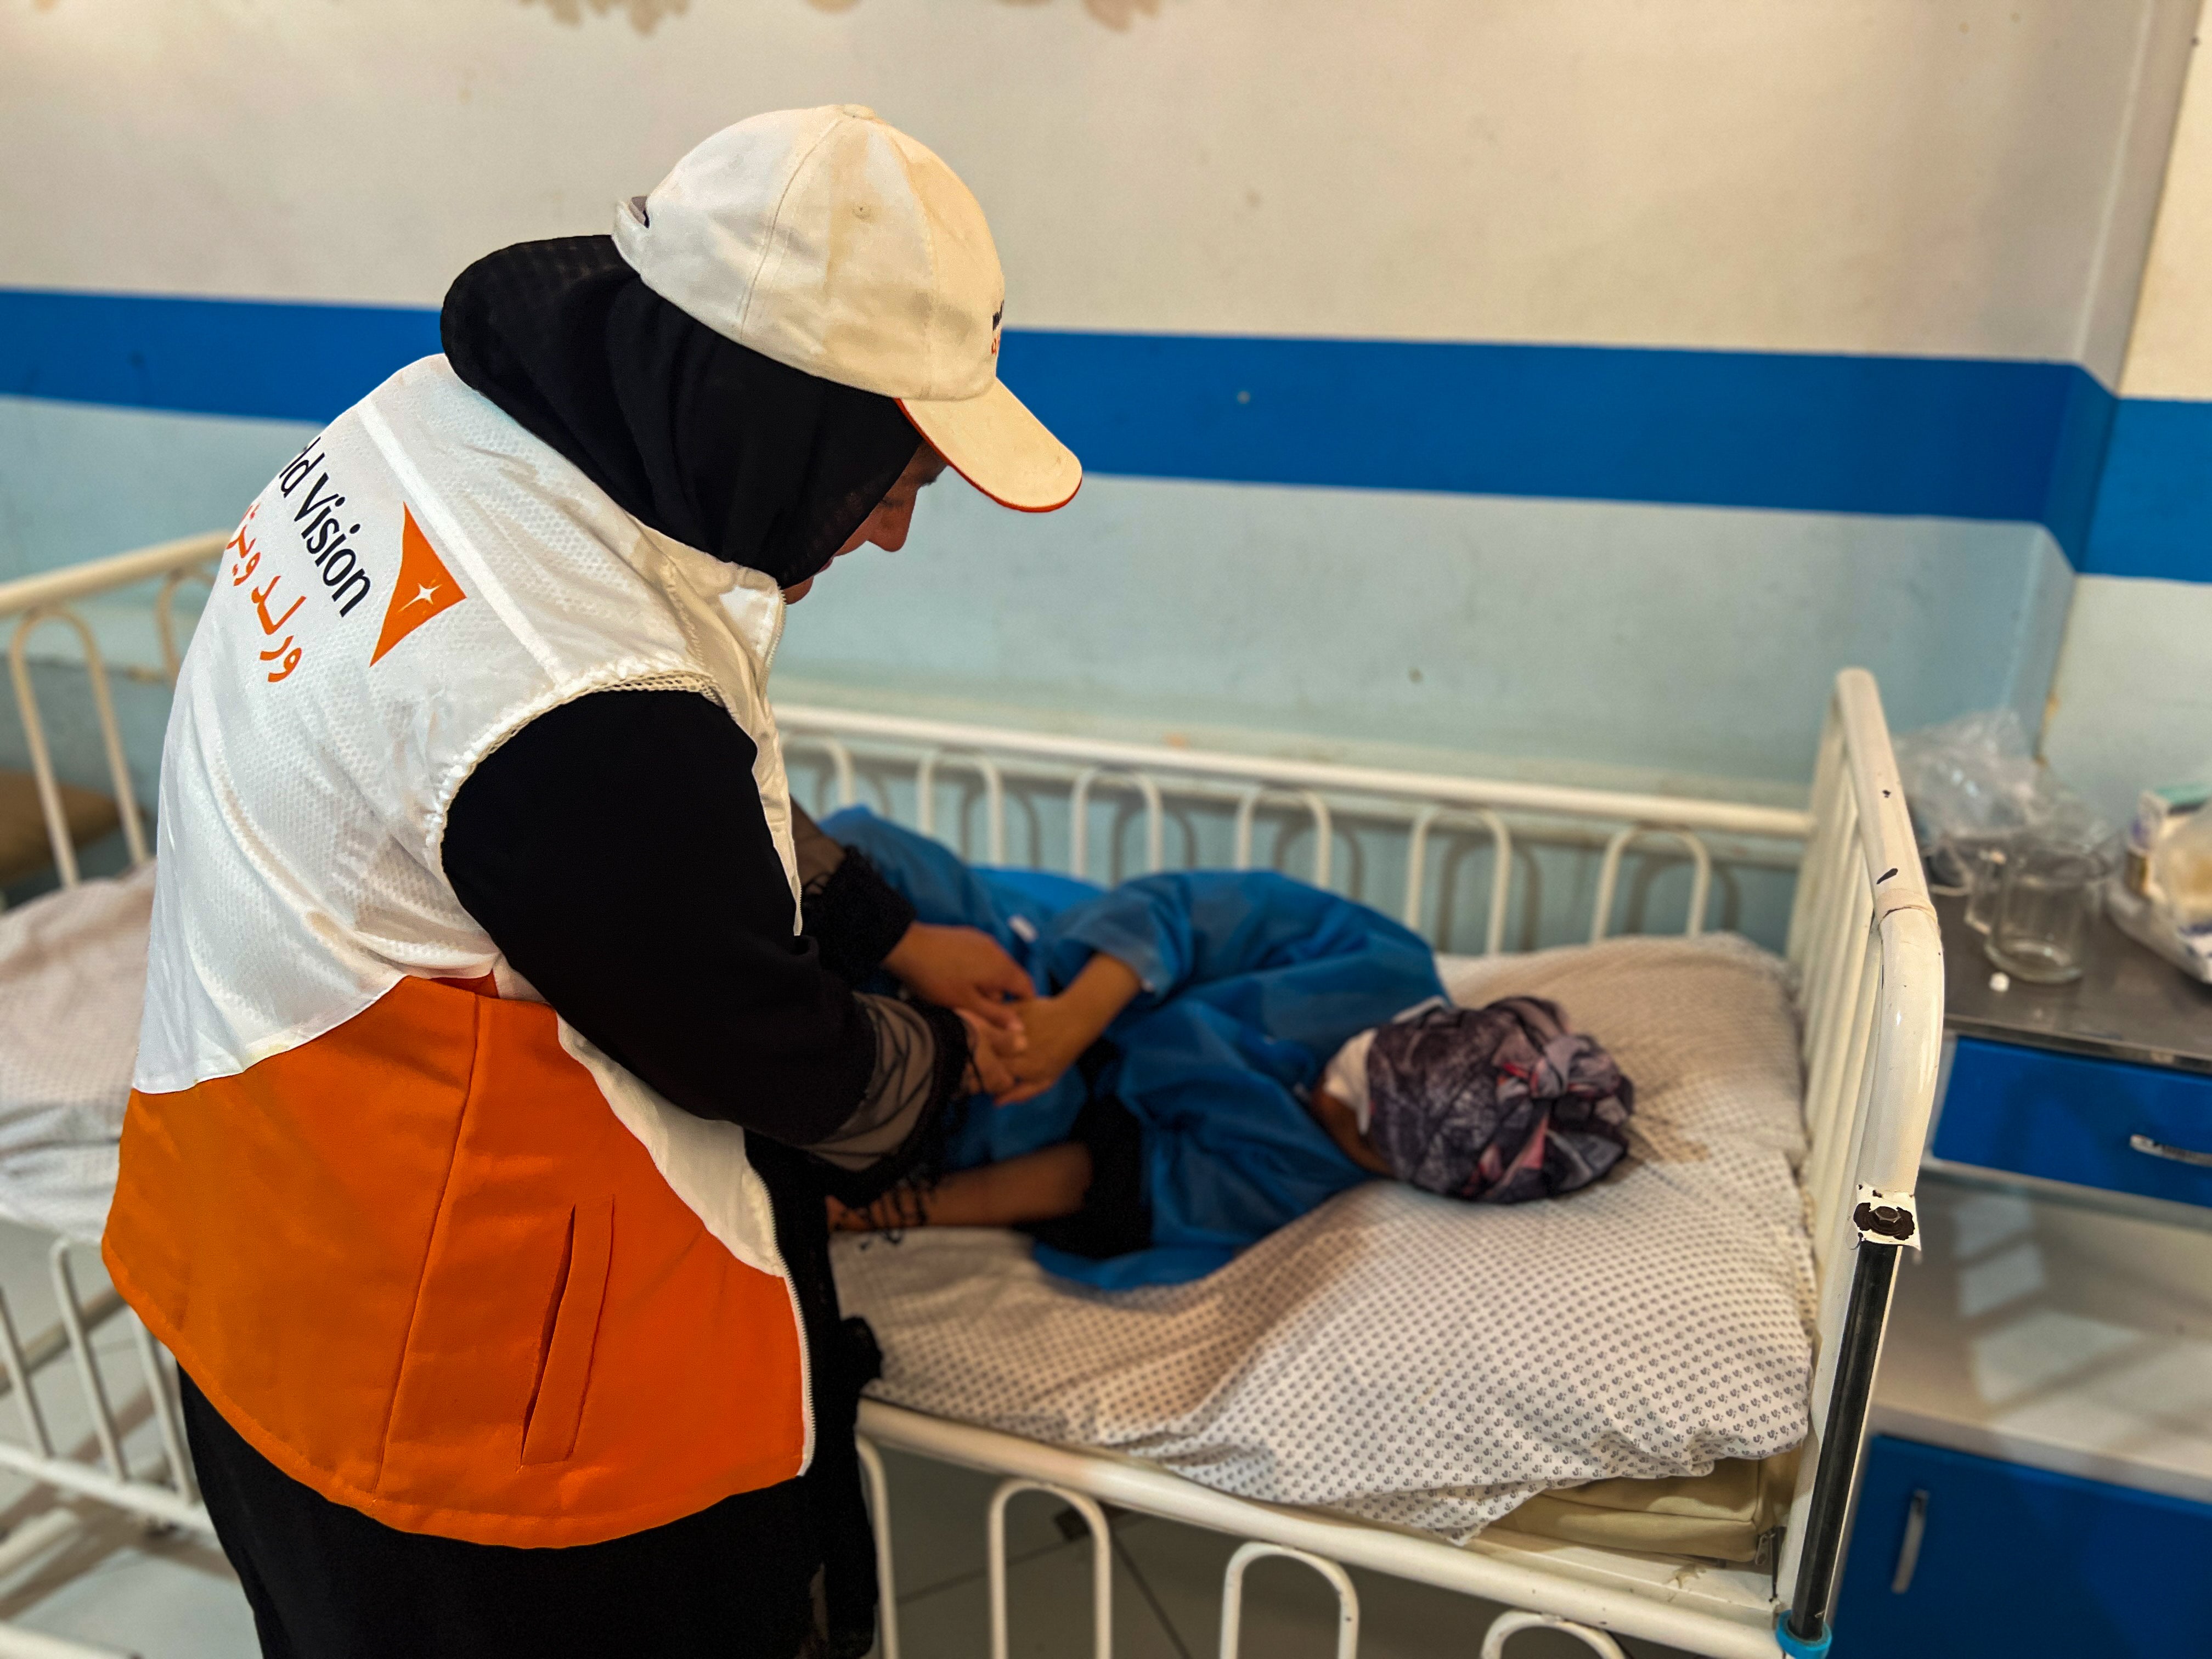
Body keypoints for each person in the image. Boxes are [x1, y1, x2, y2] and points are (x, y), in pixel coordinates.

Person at [102, 107, 1081, 1659]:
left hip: (250, 1256)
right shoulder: (582, 707)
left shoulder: (428, 429)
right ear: (783, 426)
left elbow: (653, 819)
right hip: (480, 1453)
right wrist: (951, 1066)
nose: (891, 531)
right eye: (891, 477)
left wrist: (895, 926)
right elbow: (796, 1069)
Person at [817, 812, 1638, 1288]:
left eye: (1359, 1134)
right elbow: (1188, 911)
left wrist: (872, 1213)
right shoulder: (1376, 961)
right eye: (1362, 1074)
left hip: (1009, 1112)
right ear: (1424, 1025)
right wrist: (1068, 1019)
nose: (1330, 1101)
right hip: (1043, 963)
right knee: (861, 859)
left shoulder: (1293, 1175)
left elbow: (1102, 1178)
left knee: (871, 1109)